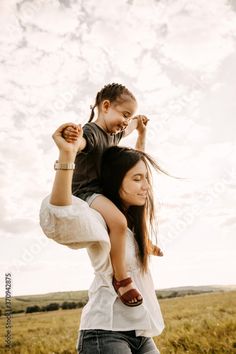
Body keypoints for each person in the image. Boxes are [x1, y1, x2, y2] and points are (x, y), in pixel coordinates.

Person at [39, 122, 165, 354]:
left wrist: (142, 133)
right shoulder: (101, 219)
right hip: (104, 332)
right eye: (138, 179)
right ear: (117, 181)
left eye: (146, 178)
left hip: (140, 331)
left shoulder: (132, 225)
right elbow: (60, 213)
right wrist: (67, 155)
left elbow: (136, 161)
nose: (146, 186)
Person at [61, 82, 162, 307]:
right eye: (124, 114)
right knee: (117, 221)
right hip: (85, 192)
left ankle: (141, 240)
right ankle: (121, 278)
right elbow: (81, 144)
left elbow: (133, 129)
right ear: (105, 106)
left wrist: (139, 125)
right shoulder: (92, 133)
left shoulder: (113, 135)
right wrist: (72, 140)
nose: (125, 120)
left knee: (133, 210)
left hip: (103, 192)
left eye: (129, 116)